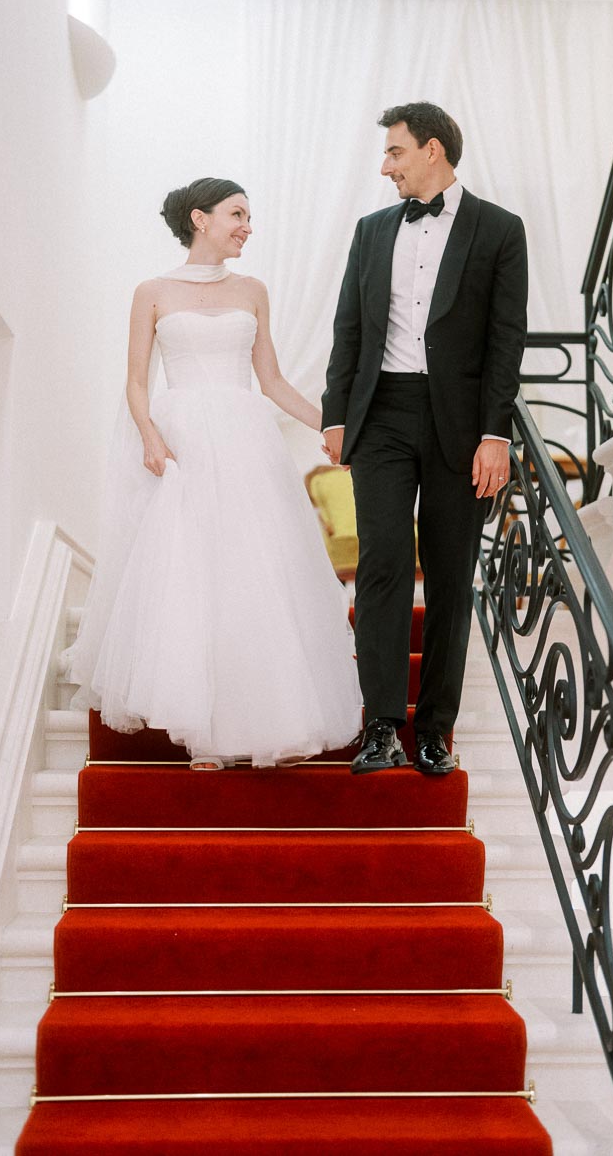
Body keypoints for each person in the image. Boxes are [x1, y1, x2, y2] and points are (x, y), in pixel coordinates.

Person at [65, 177, 362, 768]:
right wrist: (150, 434)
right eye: (238, 214)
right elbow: (135, 378)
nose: (248, 225)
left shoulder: (253, 290)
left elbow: (271, 380)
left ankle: (262, 720)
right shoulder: (151, 291)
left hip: (246, 437)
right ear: (200, 218)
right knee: (191, 574)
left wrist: (331, 427)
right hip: (183, 440)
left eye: (248, 215)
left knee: (254, 573)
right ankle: (201, 726)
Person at [322, 103, 527, 776]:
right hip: (380, 412)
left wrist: (495, 433)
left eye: (396, 152)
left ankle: (434, 729)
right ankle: (380, 724)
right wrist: (335, 413)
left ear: (432, 150)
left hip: (461, 426)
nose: (386, 165)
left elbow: (505, 341)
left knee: (448, 573)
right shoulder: (371, 230)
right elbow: (349, 326)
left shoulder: (500, 230)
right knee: (383, 563)